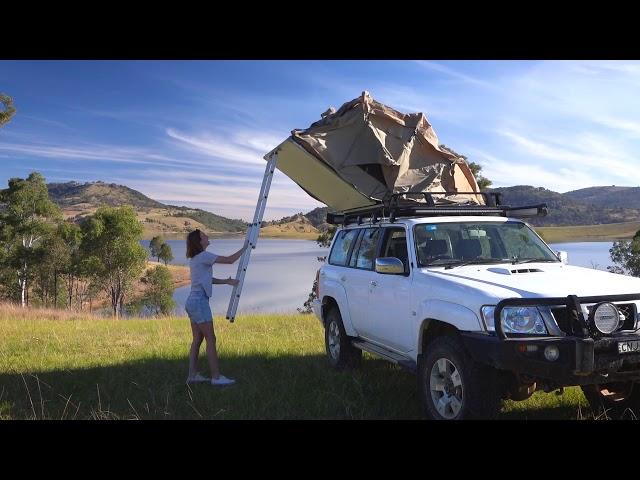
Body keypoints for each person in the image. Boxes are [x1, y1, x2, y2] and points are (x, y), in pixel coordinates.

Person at [184, 229, 247, 386]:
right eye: (204, 236)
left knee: (197, 339)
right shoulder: (204, 256)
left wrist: (226, 281)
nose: (207, 236)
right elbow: (230, 260)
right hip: (199, 303)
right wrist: (246, 247)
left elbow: (207, 279)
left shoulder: (196, 259)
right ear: (199, 242)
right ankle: (216, 378)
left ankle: (192, 376)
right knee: (211, 339)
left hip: (192, 302)